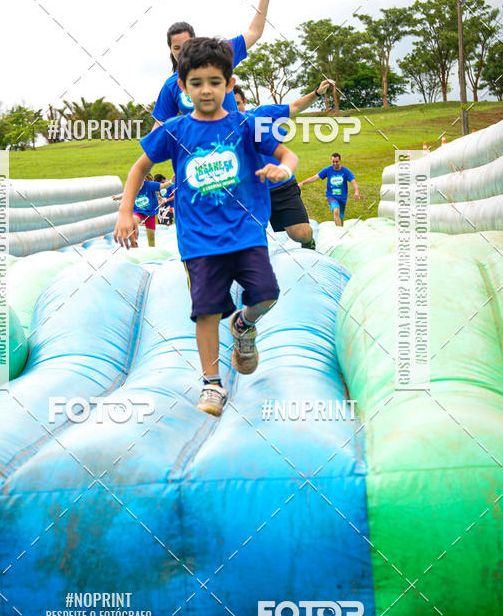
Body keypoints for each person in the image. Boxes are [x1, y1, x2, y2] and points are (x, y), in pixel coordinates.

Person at [114, 37, 298, 417]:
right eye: (196, 82)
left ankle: (243, 325)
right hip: (199, 240)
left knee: (266, 293)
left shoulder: (247, 125)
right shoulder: (176, 131)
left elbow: (287, 153)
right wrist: (126, 212)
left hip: (245, 231)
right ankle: (212, 384)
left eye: (215, 81)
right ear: (182, 88)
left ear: (229, 85)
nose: (206, 90)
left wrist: (285, 169)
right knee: (206, 311)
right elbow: (139, 168)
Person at [151, 0, 274, 126]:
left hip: (235, 144)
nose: (182, 51)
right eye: (176, 48)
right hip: (200, 149)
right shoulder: (171, 85)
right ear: (170, 50)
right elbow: (160, 125)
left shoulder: (219, 55)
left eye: (186, 44)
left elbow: (254, 32)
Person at [233, 81, 334, 249]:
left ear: (244, 101)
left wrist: (317, 93)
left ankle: (309, 243)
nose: (235, 109)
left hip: (281, 187)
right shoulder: (219, 130)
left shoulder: (261, 114)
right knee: (248, 237)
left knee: (301, 233)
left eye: (237, 103)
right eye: (230, 105)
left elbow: (294, 107)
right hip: (250, 193)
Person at [299, 153, 360, 226]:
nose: (335, 163)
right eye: (333, 162)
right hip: (331, 196)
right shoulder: (328, 170)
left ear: (340, 160)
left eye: (336, 162)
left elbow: (353, 181)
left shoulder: (345, 171)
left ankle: (340, 228)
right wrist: (303, 183)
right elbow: (315, 177)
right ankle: (339, 232)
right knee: (336, 211)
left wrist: (356, 191)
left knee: (340, 216)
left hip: (342, 197)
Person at [111, 173, 171, 247]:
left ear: (143, 180)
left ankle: (151, 250)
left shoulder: (149, 185)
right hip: (138, 211)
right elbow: (127, 194)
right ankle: (133, 243)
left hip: (150, 213)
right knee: (132, 222)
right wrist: (117, 197)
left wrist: (172, 181)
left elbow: (163, 186)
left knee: (151, 237)